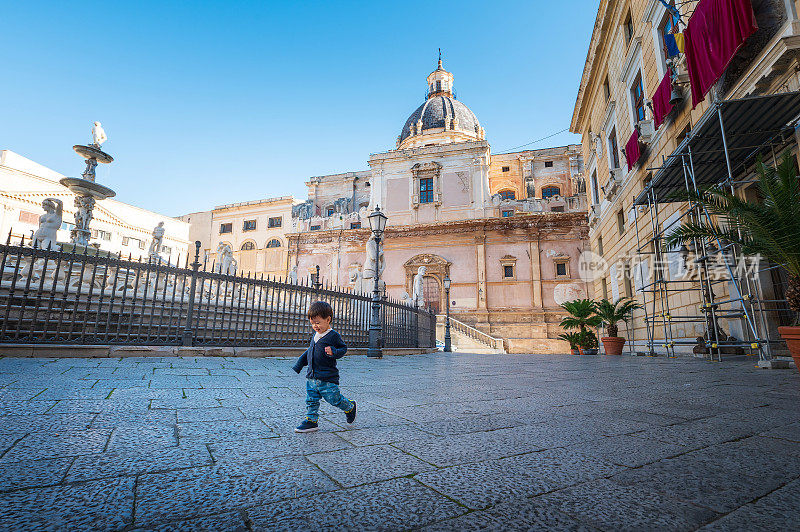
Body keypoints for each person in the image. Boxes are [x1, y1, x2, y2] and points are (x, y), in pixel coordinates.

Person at [292, 300, 356, 433]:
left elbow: (343, 348)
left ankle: (350, 406)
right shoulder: (315, 335)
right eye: (312, 323)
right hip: (312, 376)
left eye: (318, 322)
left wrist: (334, 351)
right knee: (311, 400)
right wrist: (299, 364)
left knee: (334, 399)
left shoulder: (333, 336)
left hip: (327, 377)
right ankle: (311, 421)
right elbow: (309, 352)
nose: (315, 326)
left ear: (328, 320)